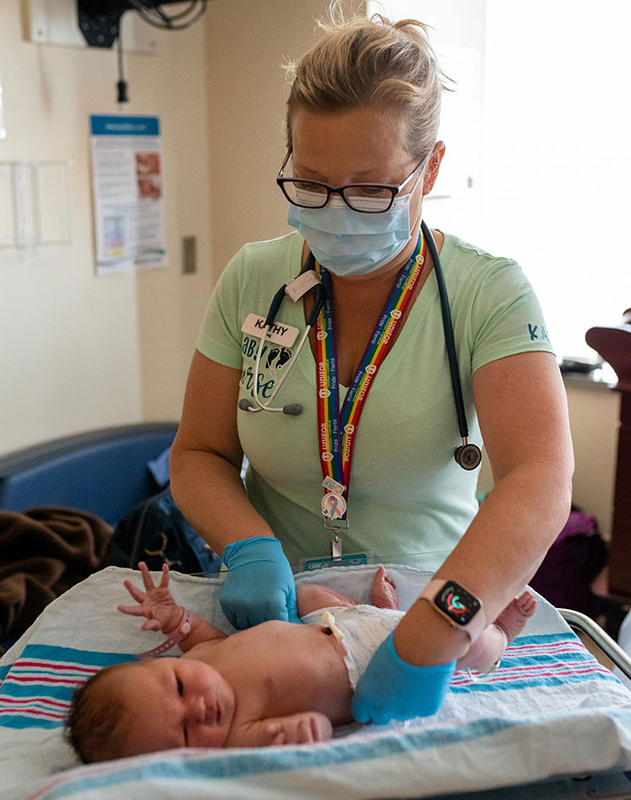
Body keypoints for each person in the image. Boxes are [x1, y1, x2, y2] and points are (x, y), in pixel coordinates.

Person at [168, 7, 574, 724]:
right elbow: (199, 452)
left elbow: (540, 479)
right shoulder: (252, 280)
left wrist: (440, 628)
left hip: (434, 603)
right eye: (313, 183)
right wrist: (249, 546)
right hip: (286, 613)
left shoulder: (489, 294)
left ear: (431, 168)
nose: (336, 211)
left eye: (369, 189)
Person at [65, 563, 537, 762]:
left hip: (335, 622)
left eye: (181, 688)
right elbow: (300, 734)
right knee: (455, 639)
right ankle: (496, 634)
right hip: (378, 661)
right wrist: (303, 733)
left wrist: (176, 619)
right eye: (188, 732)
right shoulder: (237, 736)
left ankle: (381, 607)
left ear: (160, 664)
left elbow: (203, 638)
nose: (202, 707)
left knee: (308, 592)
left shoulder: (202, 660)